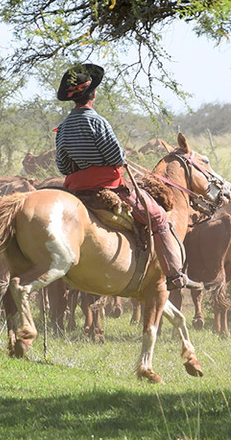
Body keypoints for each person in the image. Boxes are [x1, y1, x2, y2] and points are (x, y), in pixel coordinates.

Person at [53, 63, 201, 291]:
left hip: (75, 189)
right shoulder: (97, 121)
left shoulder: (62, 128)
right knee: (159, 216)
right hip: (106, 187)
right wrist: (119, 156)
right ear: (93, 95)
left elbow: (63, 166)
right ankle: (174, 275)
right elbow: (114, 156)